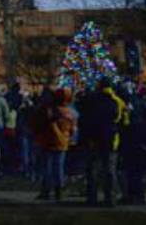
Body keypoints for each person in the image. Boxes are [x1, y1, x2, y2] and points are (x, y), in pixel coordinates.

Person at [80, 78, 125, 207]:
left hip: (93, 139)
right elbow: (122, 120)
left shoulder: (91, 100)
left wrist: (87, 137)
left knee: (93, 170)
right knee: (110, 170)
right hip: (111, 139)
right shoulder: (117, 101)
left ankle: (92, 197)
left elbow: (85, 120)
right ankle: (110, 198)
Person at [34, 88, 75, 201]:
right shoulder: (69, 111)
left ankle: (46, 190)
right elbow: (72, 128)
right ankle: (58, 190)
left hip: (49, 140)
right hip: (62, 141)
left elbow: (41, 124)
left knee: (47, 166)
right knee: (58, 166)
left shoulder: (50, 110)